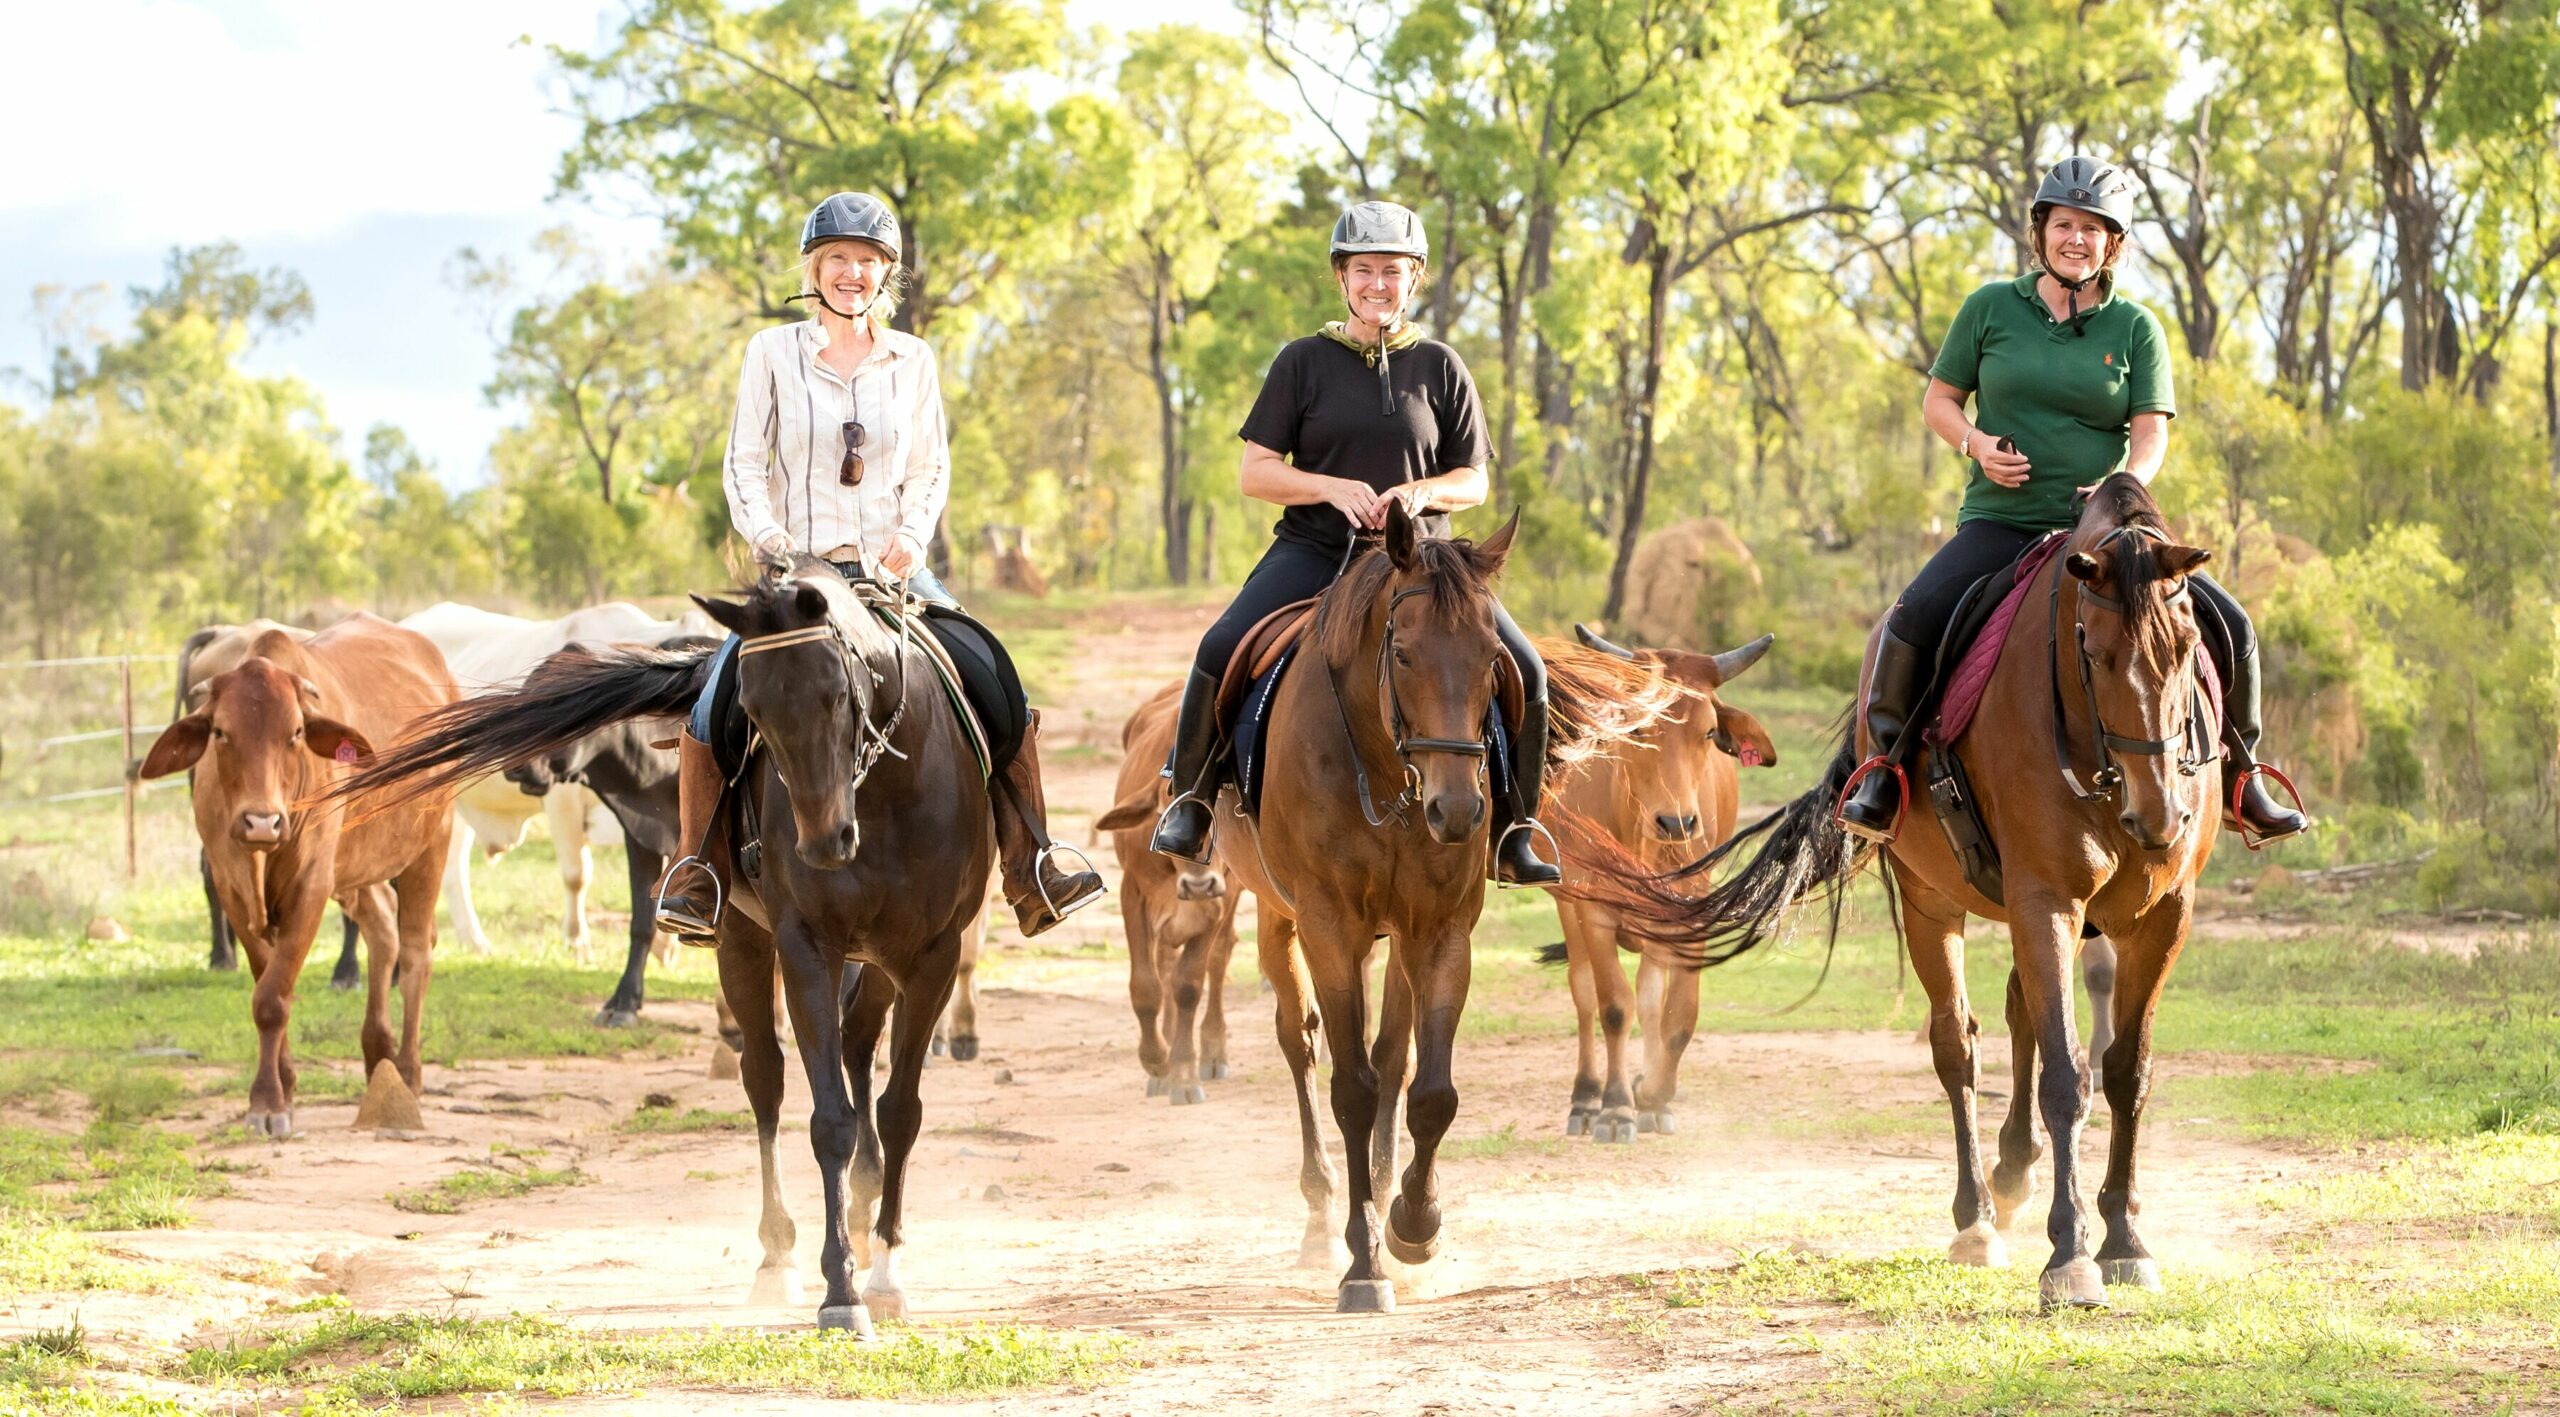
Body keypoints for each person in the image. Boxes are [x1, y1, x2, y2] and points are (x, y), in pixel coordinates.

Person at [656, 192, 1105, 940]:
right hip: (798, 577)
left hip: (892, 572)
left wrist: (912, 535)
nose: (852, 274)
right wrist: (770, 541)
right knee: (714, 702)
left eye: (867, 262)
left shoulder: (913, 359)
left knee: (997, 678)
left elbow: (930, 467)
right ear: (814, 269)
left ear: (884, 275)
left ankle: (1032, 863)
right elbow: (743, 463)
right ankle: (697, 869)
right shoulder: (770, 353)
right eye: (838, 260)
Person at [1835, 155, 2309, 846]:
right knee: (1913, 615)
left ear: (2111, 244)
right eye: (2064, 224)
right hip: (2002, 522)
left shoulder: (2136, 328)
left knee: (2231, 625)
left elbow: (2150, 431)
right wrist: (1976, 444)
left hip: (2106, 535)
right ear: (2042, 232)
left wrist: (2124, 482)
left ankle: (2244, 779)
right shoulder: (1990, 308)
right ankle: (1881, 774)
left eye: (2093, 228)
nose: (2076, 239)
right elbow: (1938, 399)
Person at [1147, 200, 1561, 886]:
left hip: (1426, 566)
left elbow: (1475, 481)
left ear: (1415, 278)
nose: (1378, 284)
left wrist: (1422, 493)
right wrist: (1328, 487)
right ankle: (1188, 802)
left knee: (1527, 668)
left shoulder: (1443, 366)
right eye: (1363, 269)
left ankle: (1516, 829)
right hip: (1315, 550)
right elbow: (1255, 472)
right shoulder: (1302, 362)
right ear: (1341, 277)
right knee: (1220, 645)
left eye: (1392, 271)